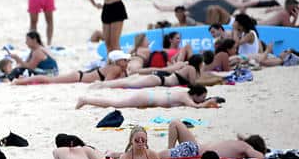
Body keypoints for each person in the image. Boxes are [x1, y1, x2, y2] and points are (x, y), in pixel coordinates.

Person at [157, 119, 266, 159]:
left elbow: (239, 135)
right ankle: (170, 152)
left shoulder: (240, 144)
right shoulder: (245, 147)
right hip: (193, 150)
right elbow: (261, 157)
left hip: (194, 147)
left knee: (175, 123)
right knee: (157, 156)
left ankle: (170, 151)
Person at [13, 50, 128, 85]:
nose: (127, 62)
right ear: (117, 61)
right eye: (124, 60)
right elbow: (107, 84)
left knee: (48, 79)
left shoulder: (114, 67)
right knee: (48, 80)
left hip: (80, 76)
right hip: (78, 77)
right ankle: (19, 81)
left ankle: (22, 80)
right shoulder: (115, 69)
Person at [91, 54, 204, 89]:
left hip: (159, 78)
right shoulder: (192, 69)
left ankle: (102, 84)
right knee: (127, 82)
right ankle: (102, 85)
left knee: (128, 82)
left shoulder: (187, 67)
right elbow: (194, 85)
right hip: (158, 80)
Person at [76, 84, 220, 109]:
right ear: (196, 94)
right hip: (146, 98)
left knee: (116, 103)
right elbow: (196, 106)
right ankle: (85, 100)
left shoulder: (182, 93)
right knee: (115, 104)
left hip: (147, 96)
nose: (203, 99)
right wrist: (208, 103)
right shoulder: (185, 97)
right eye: (203, 97)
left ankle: (86, 100)